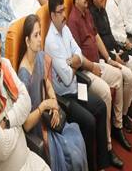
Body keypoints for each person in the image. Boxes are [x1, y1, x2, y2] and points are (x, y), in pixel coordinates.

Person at [44, 0, 123, 170]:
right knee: (89, 121)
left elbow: (78, 52)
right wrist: (75, 63)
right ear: (52, 15)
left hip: (76, 87)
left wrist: (73, 61)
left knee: (101, 106)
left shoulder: (65, 29)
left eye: (64, 9)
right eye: (60, 11)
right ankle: (91, 166)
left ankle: (103, 161)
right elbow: (66, 77)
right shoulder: (50, 42)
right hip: (65, 97)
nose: (64, 15)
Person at [68, 0, 132, 151]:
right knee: (106, 92)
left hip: (98, 62)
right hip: (86, 70)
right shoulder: (73, 21)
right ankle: (107, 145)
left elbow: (96, 36)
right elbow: (77, 57)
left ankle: (118, 126)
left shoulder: (87, 13)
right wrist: (92, 67)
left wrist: (108, 59)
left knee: (120, 75)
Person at [0, 25, 49, 171]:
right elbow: (3, 149)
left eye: (0, 51)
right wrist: (19, 121)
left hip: (28, 158)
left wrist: (8, 122)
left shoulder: (4, 66)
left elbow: (27, 102)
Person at [17, 14, 88, 171]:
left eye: (40, 33)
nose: (40, 39)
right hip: (37, 127)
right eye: (36, 35)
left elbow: (47, 84)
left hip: (48, 117)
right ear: (27, 41)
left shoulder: (39, 56)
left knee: (77, 138)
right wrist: (45, 105)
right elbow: (26, 125)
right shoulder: (23, 75)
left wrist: (54, 104)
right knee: (73, 154)